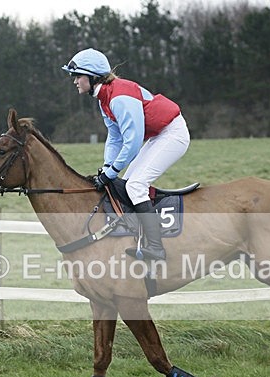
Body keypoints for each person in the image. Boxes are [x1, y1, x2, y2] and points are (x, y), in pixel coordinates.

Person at [61, 48, 190, 261]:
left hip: (173, 134)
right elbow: (115, 137)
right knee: (126, 185)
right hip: (159, 134)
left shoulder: (119, 98)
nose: (74, 81)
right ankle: (140, 236)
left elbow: (133, 141)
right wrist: (106, 167)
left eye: (77, 76)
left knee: (135, 186)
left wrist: (112, 172)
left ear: (92, 76)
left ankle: (156, 248)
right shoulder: (104, 98)